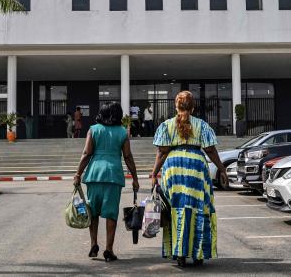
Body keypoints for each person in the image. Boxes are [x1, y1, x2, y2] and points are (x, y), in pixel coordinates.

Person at [151, 91, 227, 267]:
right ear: (193, 107)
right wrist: (222, 170)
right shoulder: (202, 125)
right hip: (196, 168)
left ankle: (179, 253)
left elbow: (162, 152)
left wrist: (154, 173)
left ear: (176, 107)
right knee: (199, 208)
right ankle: (198, 253)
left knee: (175, 209)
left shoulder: (166, 125)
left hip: (173, 168)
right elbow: (210, 151)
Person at [74, 103, 139, 262]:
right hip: (113, 175)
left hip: (95, 173)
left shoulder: (93, 130)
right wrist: (135, 178)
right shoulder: (123, 132)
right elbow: (128, 156)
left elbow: (87, 153)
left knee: (93, 211)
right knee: (111, 213)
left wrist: (78, 173)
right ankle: (109, 249)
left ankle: (94, 244)